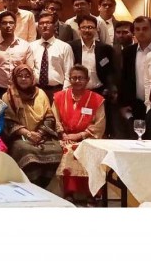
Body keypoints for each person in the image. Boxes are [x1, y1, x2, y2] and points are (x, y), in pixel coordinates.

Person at [52, 65, 105, 205]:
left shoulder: (97, 99)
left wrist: (80, 135)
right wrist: (62, 134)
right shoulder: (59, 97)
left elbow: (100, 124)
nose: (77, 81)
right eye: (74, 78)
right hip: (65, 137)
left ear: (87, 80)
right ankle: (69, 192)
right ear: (69, 79)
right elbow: (54, 118)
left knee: (89, 151)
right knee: (68, 149)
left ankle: (91, 193)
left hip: (88, 139)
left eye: (80, 78)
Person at [2, 64, 61, 187]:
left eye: (27, 76)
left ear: (32, 78)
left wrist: (39, 133)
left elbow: (49, 117)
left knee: (56, 150)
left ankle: (43, 185)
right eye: (20, 76)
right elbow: (8, 121)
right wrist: (28, 134)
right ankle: (31, 186)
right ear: (15, 78)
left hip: (42, 134)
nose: (23, 79)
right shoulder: (8, 96)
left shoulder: (41, 93)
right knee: (26, 151)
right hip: (19, 136)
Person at [0, 10, 35, 96]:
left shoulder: (25, 45)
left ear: (15, 25)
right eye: (4, 23)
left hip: (20, 90)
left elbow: (30, 69)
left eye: (11, 23)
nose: (8, 26)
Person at [29, 11, 75, 101]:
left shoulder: (64, 47)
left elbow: (68, 73)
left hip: (57, 90)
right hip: (36, 91)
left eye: (48, 23)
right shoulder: (31, 46)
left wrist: (64, 94)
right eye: (41, 23)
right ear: (38, 27)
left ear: (55, 26)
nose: (44, 26)